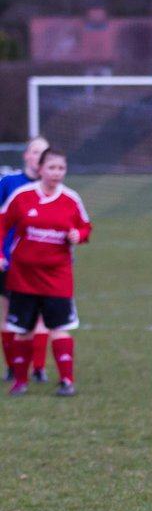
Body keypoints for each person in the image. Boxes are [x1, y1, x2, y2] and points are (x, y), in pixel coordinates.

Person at [1, 148, 90, 397]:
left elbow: (85, 226)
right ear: (40, 169)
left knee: (59, 327)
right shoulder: (22, 196)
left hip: (57, 276)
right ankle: (20, 381)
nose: (56, 173)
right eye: (51, 168)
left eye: (61, 168)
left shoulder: (71, 199)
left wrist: (79, 235)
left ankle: (67, 381)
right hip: (23, 276)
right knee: (23, 330)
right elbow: (2, 222)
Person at [0, 136, 52, 382]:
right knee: (9, 315)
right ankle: (13, 368)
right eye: (35, 151)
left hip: (42, 264)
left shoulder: (51, 187)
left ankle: (38, 368)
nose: (40, 157)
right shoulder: (9, 183)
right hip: (9, 261)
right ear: (26, 156)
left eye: (45, 153)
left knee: (41, 315)